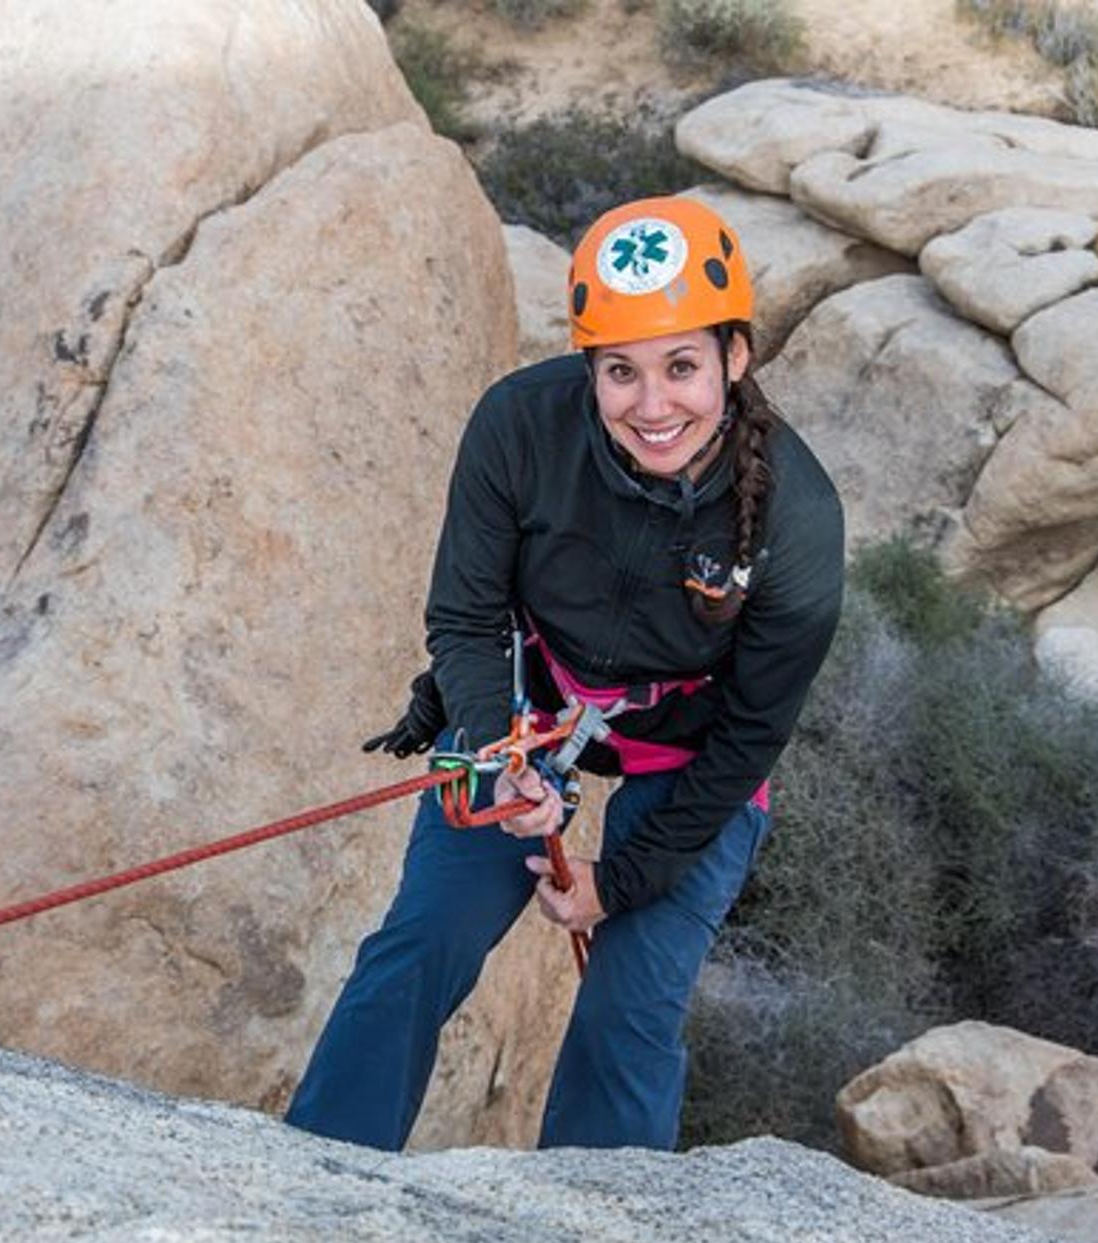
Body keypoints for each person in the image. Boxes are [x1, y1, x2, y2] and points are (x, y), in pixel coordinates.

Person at [285, 195, 845, 1152]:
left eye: (682, 367)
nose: (652, 405)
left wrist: (616, 880)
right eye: (619, 372)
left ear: (735, 359)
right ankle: (313, 1170)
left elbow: (752, 733)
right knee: (422, 941)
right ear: (588, 367)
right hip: (523, 710)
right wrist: (499, 748)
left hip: (693, 752)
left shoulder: (798, 517)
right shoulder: (519, 426)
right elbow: (464, 616)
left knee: (630, 1011)